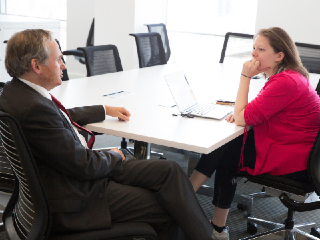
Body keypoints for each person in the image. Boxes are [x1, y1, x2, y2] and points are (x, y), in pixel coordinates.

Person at [0, 29, 216, 240]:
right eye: (58, 60)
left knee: (170, 171)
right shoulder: (35, 110)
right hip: (77, 197)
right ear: (36, 65)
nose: (64, 65)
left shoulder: (17, 93)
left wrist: (103, 109)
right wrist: (114, 155)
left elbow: (60, 118)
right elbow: (83, 164)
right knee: (170, 205)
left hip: (68, 178)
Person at [189, 27, 320, 240]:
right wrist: (244, 113)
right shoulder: (291, 77)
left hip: (295, 162)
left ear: (279, 55)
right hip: (299, 152)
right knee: (229, 148)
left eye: (261, 49)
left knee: (226, 150)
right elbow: (252, 114)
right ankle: (209, 220)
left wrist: (245, 76)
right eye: (253, 48)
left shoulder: (284, 82)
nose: (253, 54)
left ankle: (190, 201)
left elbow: (241, 118)